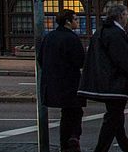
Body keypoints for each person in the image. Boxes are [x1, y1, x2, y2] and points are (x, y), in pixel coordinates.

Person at [78, 5, 128, 152]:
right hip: (114, 83)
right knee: (113, 119)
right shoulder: (115, 33)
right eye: (127, 14)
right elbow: (123, 60)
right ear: (120, 15)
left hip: (105, 81)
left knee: (116, 119)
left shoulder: (102, 31)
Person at [38, 9, 86, 152]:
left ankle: (66, 143)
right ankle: (73, 138)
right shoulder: (72, 38)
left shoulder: (49, 37)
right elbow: (80, 61)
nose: (77, 22)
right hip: (70, 83)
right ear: (68, 22)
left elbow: (41, 58)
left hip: (52, 84)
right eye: (75, 19)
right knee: (75, 112)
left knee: (67, 114)